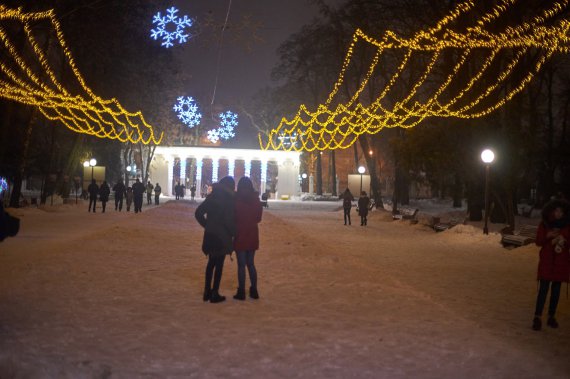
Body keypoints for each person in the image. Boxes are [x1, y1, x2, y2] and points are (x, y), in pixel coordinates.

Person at [195, 176, 236, 303]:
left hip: (211, 234)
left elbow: (198, 213)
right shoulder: (229, 200)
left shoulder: (212, 197)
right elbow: (229, 220)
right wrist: (234, 232)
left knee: (211, 263)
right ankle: (214, 293)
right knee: (219, 265)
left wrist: (207, 225)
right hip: (223, 236)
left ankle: (207, 291)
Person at [532, 199, 570, 331]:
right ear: (552, 211)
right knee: (543, 290)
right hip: (547, 262)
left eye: (561, 211)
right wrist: (547, 235)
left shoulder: (567, 226)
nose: (559, 213)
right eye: (556, 210)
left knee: (556, 292)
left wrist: (564, 240)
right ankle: (537, 317)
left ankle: (551, 316)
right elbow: (538, 242)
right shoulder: (544, 224)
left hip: (561, 262)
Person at [233, 177, 263, 300]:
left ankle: (241, 291)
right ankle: (254, 290)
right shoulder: (256, 201)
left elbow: (233, 217)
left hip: (240, 234)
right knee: (250, 263)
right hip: (252, 234)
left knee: (241, 265)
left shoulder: (236, 200)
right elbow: (258, 219)